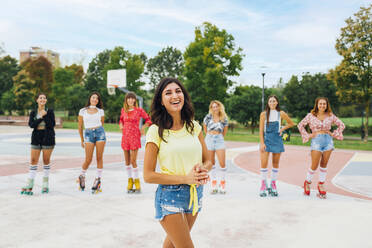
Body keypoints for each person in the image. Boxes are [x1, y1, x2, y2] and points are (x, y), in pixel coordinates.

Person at [143, 77, 212, 248]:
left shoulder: (194, 126)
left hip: (195, 194)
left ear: (184, 96)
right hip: (170, 196)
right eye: (168, 93)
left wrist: (202, 169)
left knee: (172, 246)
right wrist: (186, 178)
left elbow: (209, 160)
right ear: (161, 101)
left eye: (178, 91)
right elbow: (148, 175)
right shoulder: (155, 131)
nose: (175, 95)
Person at [298, 97, 345, 198]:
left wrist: (334, 134)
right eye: (320, 104)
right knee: (314, 165)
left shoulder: (330, 115)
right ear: (317, 105)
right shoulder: (310, 116)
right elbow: (300, 125)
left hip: (328, 141)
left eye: (324, 104)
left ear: (327, 105)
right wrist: (309, 135)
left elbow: (342, 125)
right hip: (316, 141)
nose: (322, 106)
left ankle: (321, 184)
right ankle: (307, 182)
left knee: (324, 164)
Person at [259, 95, 294, 197]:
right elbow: (261, 131)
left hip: (277, 140)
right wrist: (262, 143)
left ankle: (273, 184)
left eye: (274, 101)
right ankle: (263, 185)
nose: (272, 103)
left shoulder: (281, 113)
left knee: (275, 163)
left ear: (277, 102)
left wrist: (282, 129)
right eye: (270, 101)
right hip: (266, 140)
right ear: (268, 103)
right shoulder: (263, 114)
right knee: (264, 163)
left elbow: (291, 123)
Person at [21, 93, 55, 195]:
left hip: (47, 137)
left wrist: (45, 115)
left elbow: (51, 124)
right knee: (33, 160)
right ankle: (30, 183)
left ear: (46, 101)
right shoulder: (33, 112)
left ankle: (45, 184)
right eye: (40, 98)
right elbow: (31, 125)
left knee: (46, 160)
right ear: (37, 100)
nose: (42, 99)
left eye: (44, 98)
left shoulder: (50, 111)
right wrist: (40, 116)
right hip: (36, 137)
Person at [119, 92, 152, 193]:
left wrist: (143, 127)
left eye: (132, 98)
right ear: (126, 100)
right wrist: (120, 125)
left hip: (134, 136)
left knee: (133, 161)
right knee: (127, 161)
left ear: (134, 100)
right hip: (125, 137)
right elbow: (121, 120)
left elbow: (148, 120)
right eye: (128, 98)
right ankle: (130, 181)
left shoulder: (139, 111)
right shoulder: (123, 110)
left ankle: (137, 181)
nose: (130, 100)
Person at [77, 92, 106, 194]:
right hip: (88, 134)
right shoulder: (82, 111)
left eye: (97, 98)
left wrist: (98, 130)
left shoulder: (100, 111)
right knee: (88, 159)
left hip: (100, 133)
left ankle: (98, 179)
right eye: (93, 97)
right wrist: (82, 139)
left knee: (99, 157)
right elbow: (80, 126)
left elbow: (102, 123)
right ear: (90, 98)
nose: (95, 99)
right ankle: (81, 175)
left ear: (98, 101)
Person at [203, 100, 228, 194]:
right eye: (213, 107)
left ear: (219, 107)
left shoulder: (224, 118)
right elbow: (205, 129)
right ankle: (214, 183)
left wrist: (218, 136)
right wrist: (210, 135)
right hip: (209, 139)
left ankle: (222, 182)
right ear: (211, 108)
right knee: (211, 163)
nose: (215, 108)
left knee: (222, 163)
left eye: (216, 106)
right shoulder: (207, 117)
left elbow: (225, 131)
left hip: (219, 140)